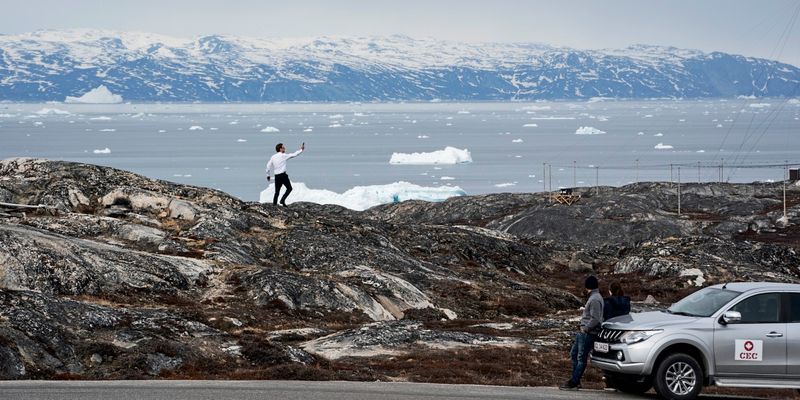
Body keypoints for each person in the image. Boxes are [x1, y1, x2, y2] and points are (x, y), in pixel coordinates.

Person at [560, 275, 604, 390]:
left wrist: (586, 328)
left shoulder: (594, 299)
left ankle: (574, 382)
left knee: (581, 358)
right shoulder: (594, 297)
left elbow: (596, 319)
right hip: (583, 332)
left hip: (587, 333)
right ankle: (576, 380)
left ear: (588, 286)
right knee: (574, 354)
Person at [266, 142, 304, 206]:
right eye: (283, 148)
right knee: (289, 188)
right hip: (283, 176)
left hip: (277, 176)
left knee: (277, 192)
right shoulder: (283, 155)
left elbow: (268, 166)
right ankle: (282, 200)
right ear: (280, 149)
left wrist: (268, 175)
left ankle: (274, 205)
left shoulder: (273, 157)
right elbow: (294, 155)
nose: (285, 149)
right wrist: (301, 150)